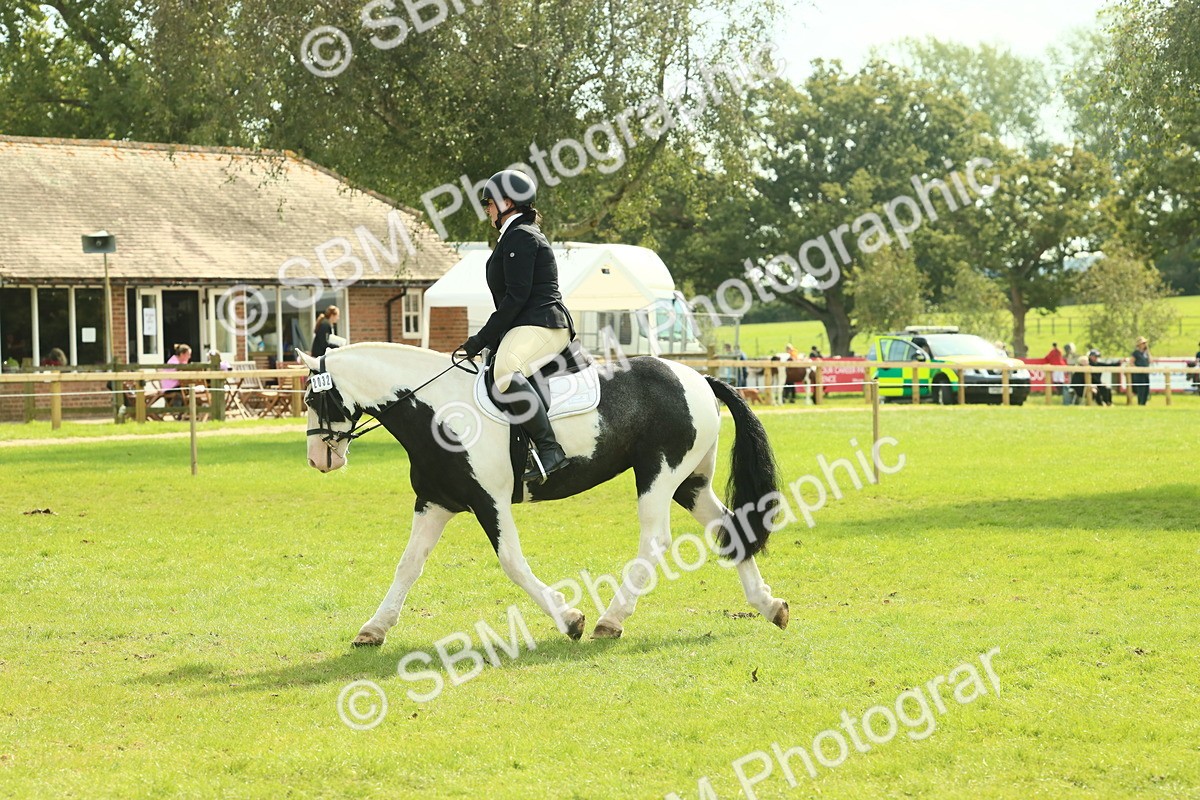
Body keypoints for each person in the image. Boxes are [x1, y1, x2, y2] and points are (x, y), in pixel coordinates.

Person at [461, 170, 575, 483]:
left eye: (489, 203)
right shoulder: (513, 235)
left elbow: (516, 297)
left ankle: (549, 449)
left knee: (505, 373)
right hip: (528, 323)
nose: (487, 209)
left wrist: (481, 338)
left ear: (507, 202)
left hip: (544, 322)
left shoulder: (522, 236)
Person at [1130, 336, 1151, 405]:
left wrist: (1148, 351)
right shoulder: (1136, 353)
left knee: (1146, 388)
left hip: (1146, 372)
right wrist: (1136, 368)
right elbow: (1131, 362)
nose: (1144, 344)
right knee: (1141, 389)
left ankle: (1145, 402)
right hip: (1139, 374)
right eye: (1143, 343)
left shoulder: (1145, 353)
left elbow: (1150, 361)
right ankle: (1140, 402)